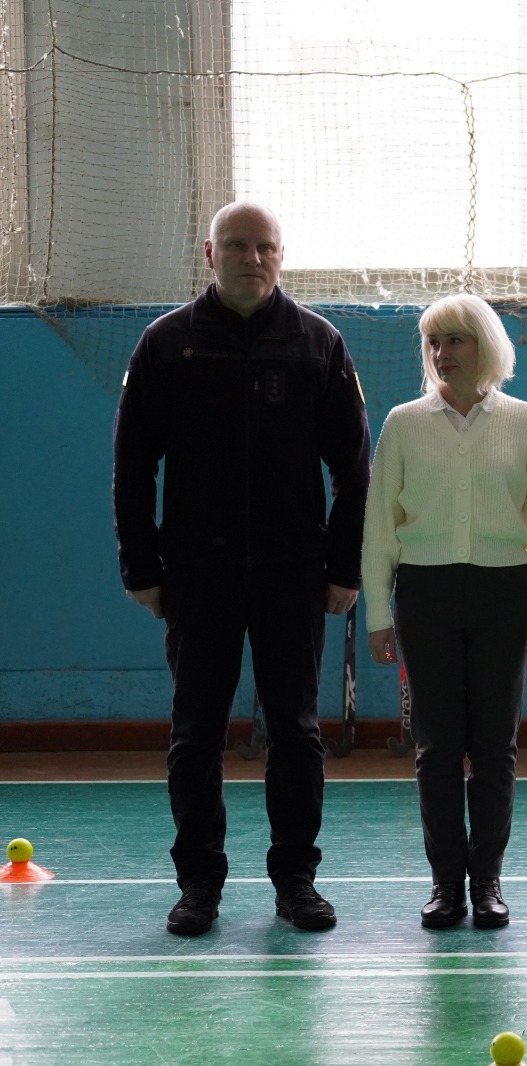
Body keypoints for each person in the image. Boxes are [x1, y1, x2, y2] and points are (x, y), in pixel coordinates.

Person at [112, 202, 371, 936]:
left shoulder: (318, 343)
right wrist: (141, 566)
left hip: (295, 572)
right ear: (209, 252)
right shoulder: (167, 344)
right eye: (236, 245)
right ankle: (199, 884)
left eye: (264, 247)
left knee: (296, 731)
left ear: (281, 255)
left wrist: (344, 567)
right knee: (196, 731)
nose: (251, 258)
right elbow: (132, 464)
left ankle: (296, 881)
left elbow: (354, 468)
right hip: (198, 573)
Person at [362, 293, 527, 930]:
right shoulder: (402, 424)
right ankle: (446, 884)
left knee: (494, 747)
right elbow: (379, 526)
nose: (443, 353)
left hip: (504, 597)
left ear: (486, 347)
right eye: (434, 342)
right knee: (436, 747)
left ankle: (488, 883)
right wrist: (378, 614)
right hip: (423, 596)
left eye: (456, 339)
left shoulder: (526, 422)